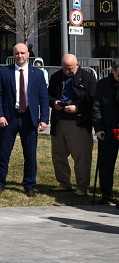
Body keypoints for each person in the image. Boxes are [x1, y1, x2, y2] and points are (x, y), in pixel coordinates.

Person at [0, 42, 49, 197]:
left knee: (30, 154)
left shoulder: (37, 74)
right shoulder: (5, 72)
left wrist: (44, 119)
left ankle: (29, 185)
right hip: (9, 118)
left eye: (23, 53)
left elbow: (44, 98)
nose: (20, 56)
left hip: (29, 119)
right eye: (17, 53)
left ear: (28, 54)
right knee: (4, 153)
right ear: (13, 55)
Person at [48, 54, 97, 195]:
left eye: (70, 68)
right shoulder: (56, 77)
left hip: (78, 123)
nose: (67, 71)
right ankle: (64, 183)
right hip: (59, 121)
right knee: (58, 155)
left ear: (77, 65)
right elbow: (48, 95)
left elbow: (93, 101)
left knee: (81, 156)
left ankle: (82, 187)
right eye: (64, 68)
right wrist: (54, 103)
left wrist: (77, 108)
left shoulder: (88, 78)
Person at [92, 59, 119, 204]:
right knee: (105, 165)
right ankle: (106, 194)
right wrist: (99, 129)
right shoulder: (103, 84)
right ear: (112, 71)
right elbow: (96, 107)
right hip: (108, 131)